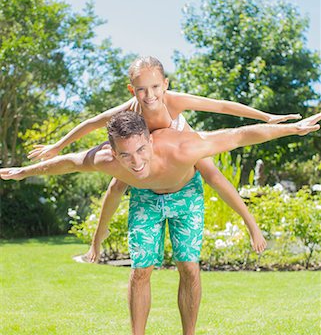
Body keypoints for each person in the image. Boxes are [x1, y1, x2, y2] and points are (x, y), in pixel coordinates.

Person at [2, 111, 320, 335]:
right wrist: (22, 172)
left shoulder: (183, 147)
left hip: (186, 196)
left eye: (141, 150)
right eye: (125, 155)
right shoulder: (105, 160)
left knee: (190, 268)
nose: (136, 161)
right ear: (113, 153)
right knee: (140, 270)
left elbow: (238, 135)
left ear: (151, 141)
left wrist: (294, 129)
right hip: (145, 199)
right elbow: (66, 162)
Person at [27, 57, 301, 262]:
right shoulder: (132, 106)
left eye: (155, 87)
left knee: (212, 175)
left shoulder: (174, 100)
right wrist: (57, 145)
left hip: (179, 137)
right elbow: (92, 122)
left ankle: (251, 225)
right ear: (131, 89)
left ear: (165, 84)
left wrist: (267, 117)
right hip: (146, 149)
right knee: (116, 185)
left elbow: (222, 107)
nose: (149, 95)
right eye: (141, 89)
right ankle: (96, 244)